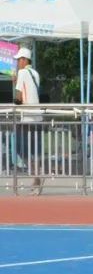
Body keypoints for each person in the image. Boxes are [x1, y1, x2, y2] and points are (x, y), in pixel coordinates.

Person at [13, 46, 43, 193]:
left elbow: (18, 98)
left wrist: (14, 84)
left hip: (26, 118)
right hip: (38, 117)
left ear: (24, 60)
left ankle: (36, 176)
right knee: (35, 151)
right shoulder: (35, 73)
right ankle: (37, 178)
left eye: (19, 60)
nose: (17, 62)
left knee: (20, 148)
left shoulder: (22, 72)